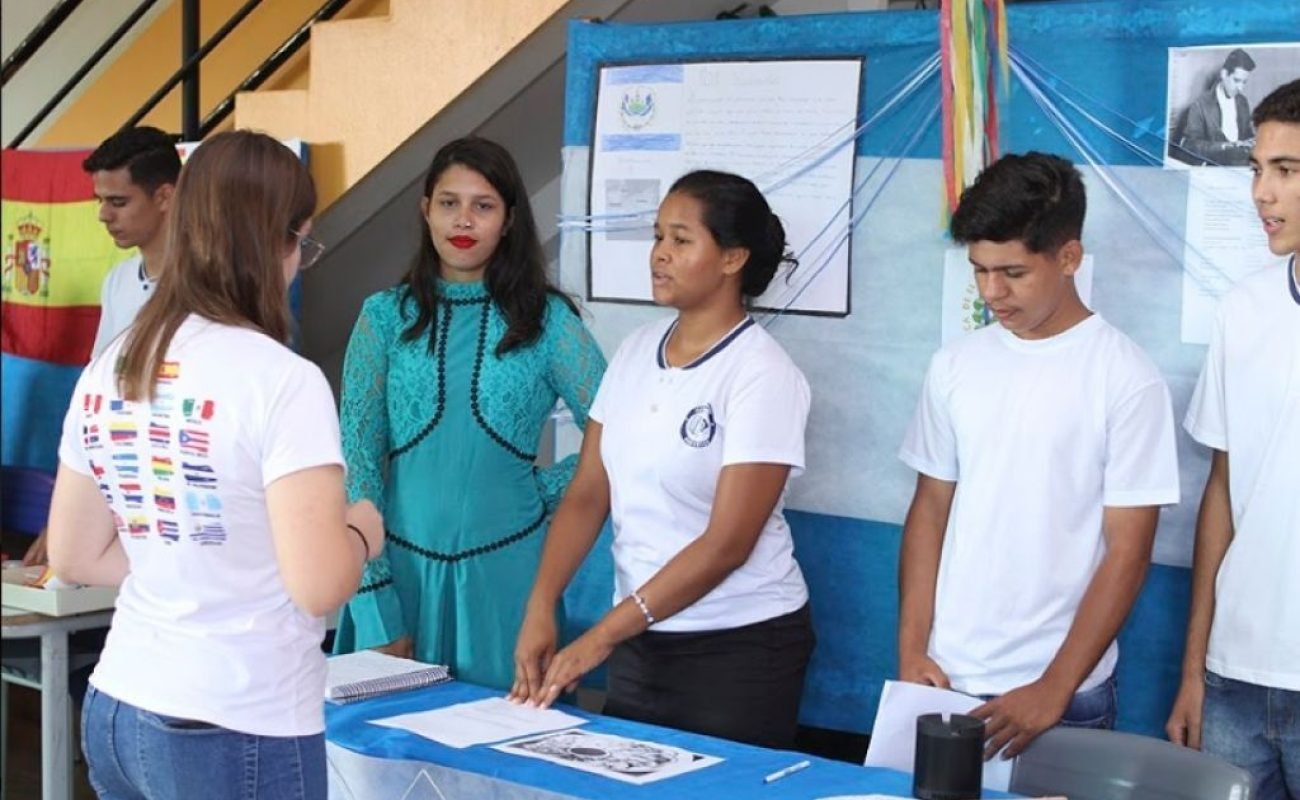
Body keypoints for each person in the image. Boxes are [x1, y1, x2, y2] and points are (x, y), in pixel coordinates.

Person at [46, 130, 382, 800]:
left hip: (119, 703)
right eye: (302, 244)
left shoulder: (116, 361)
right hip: (235, 720)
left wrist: (193, 565)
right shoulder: (283, 381)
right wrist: (363, 530)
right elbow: (318, 585)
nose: (300, 264)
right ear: (274, 242)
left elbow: (75, 553)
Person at [510, 169, 815, 750]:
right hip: (641, 640)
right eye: (657, 237)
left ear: (732, 259)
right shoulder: (633, 351)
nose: (659, 255)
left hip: (739, 648)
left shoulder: (762, 374)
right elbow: (587, 492)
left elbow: (727, 543)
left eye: (680, 239)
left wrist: (601, 637)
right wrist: (542, 602)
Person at [897, 152, 1180, 760]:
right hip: (944, 677)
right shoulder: (955, 365)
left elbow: (1129, 550)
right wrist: (912, 648)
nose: (992, 292)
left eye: (1014, 273)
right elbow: (930, 509)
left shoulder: (1126, 378)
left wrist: (1055, 686)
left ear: (1069, 257)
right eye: (979, 271)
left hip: (1061, 693)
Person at [331, 136, 606, 691]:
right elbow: (355, 462)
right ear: (425, 209)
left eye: (484, 206)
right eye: (449, 202)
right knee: (381, 763)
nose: (464, 220)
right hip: (394, 581)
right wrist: (376, 600)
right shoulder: (384, 317)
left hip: (511, 582)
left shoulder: (548, 321)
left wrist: (543, 492)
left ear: (508, 221)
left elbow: (623, 438)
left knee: (510, 760)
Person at [1166, 79, 1300, 799]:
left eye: (1288, 171)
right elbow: (1222, 488)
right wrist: (1195, 670)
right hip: (1235, 679)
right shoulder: (1243, 309)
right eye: (1257, 169)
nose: (1261, 193)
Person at [20, 126, 181, 567]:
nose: (104, 216)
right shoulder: (119, 282)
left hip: (182, 492)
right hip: (120, 489)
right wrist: (73, 510)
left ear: (165, 196)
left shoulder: (210, 287)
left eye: (119, 202)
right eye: (100, 202)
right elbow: (99, 401)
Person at [1175, 48, 1257, 167]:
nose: (1241, 88)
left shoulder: (1242, 102)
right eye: (1237, 80)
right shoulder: (1200, 105)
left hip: (1240, 168)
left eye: (1244, 82)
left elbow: (1246, 135)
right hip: (1213, 168)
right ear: (1224, 74)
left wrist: (1252, 141)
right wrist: (1224, 146)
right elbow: (1189, 145)